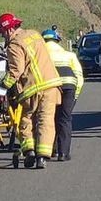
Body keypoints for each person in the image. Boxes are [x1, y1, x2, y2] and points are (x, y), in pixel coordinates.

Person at [0, 13, 63, 169]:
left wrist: (3, 87)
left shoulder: (14, 44)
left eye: (2, 32)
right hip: (50, 85)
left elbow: (15, 70)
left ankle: (29, 151)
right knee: (45, 120)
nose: (3, 36)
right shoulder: (35, 35)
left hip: (31, 89)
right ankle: (42, 157)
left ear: (8, 30)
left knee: (26, 121)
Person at [43, 29, 83, 161]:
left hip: (50, 86)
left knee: (48, 117)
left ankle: (49, 151)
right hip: (69, 86)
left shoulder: (42, 55)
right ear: (57, 41)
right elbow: (79, 77)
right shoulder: (69, 55)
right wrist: (75, 95)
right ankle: (63, 153)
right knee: (64, 119)